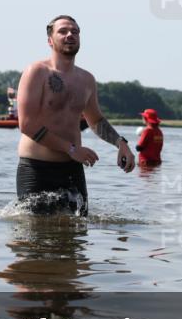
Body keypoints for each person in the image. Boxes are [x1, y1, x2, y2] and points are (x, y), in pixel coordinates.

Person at [16, 15, 135, 216]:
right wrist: (71, 149)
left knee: (76, 237)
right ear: (50, 40)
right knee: (35, 241)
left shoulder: (87, 80)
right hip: (37, 169)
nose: (70, 34)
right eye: (63, 31)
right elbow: (27, 124)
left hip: (72, 170)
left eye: (75, 31)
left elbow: (96, 120)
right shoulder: (36, 72)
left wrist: (121, 143)